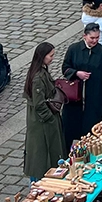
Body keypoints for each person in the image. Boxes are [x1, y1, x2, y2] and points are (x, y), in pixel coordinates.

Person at [61, 24, 102, 149]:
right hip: (75, 98)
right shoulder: (73, 49)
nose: (95, 40)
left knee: (92, 129)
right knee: (71, 129)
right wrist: (76, 73)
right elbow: (65, 68)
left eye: (97, 37)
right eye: (92, 38)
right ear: (84, 36)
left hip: (94, 96)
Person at [23, 42, 66, 180]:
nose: (52, 58)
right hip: (42, 123)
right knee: (40, 157)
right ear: (42, 56)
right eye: (51, 55)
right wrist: (50, 118)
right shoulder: (38, 78)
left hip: (43, 120)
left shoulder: (40, 72)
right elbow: (39, 104)